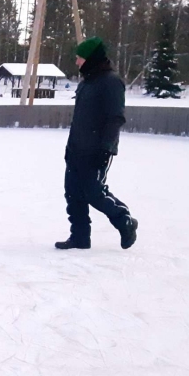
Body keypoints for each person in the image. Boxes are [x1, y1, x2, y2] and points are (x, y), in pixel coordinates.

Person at [57, 37, 139, 250]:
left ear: (91, 58)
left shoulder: (111, 82)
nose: (77, 62)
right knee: (73, 193)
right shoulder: (87, 82)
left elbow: (115, 118)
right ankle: (80, 237)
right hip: (76, 149)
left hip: (95, 151)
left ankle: (125, 221)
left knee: (94, 192)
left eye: (80, 58)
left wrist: (107, 148)